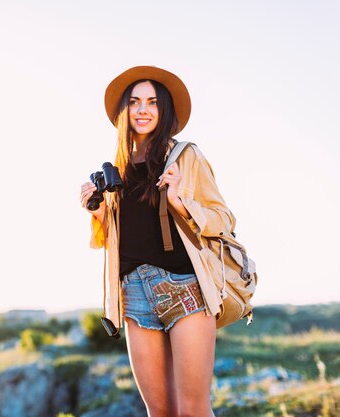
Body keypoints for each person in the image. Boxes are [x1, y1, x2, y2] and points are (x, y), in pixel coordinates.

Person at [79, 66, 236, 417]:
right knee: (159, 412)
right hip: (134, 294)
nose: (142, 110)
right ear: (124, 112)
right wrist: (99, 213)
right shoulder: (116, 170)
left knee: (192, 410)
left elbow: (224, 220)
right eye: (134, 102)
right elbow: (117, 242)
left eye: (152, 102)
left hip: (185, 288)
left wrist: (182, 202)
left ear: (164, 110)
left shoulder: (184, 156)